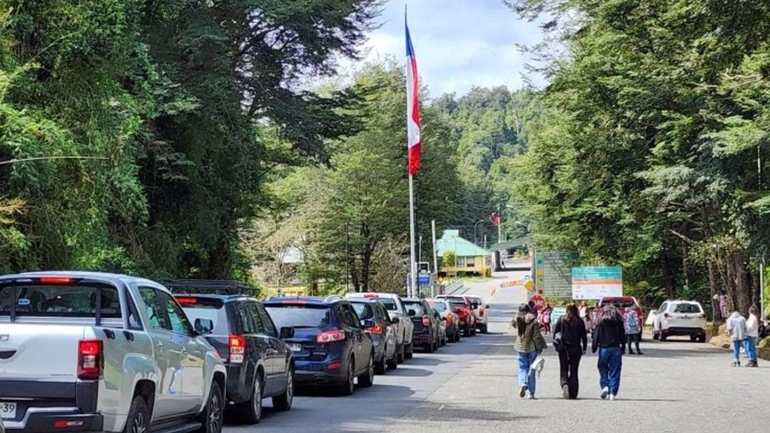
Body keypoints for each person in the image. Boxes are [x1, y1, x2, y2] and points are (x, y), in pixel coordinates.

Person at [553, 304, 588, 399]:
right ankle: (573, 393)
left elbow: (555, 334)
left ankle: (564, 384)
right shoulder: (580, 321)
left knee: (563, 369)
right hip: (576, 349)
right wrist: (584, 348)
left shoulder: (561, 319)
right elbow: (584, 337)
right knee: (574, 371)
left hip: (564, 349)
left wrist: (557, 346)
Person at [592, 305, 625, 400]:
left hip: (603, 348)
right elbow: (623, 335)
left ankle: (605, 386)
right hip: (615, 348)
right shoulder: (618, 322)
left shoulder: (601, 322)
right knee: (615, 371)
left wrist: (594, 347)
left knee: (602, 368)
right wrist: (623, 346)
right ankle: (612, 393)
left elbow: (596, 336)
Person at [513, 304, 547, 399]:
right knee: (532, 369)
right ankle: (531, 393)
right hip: (531, 347)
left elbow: (513, 324)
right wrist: (539, 347)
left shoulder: (517, 319)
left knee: (522, 367)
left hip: (520, 347)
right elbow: (536, 336)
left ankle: (523, 383)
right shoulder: (533, 320)